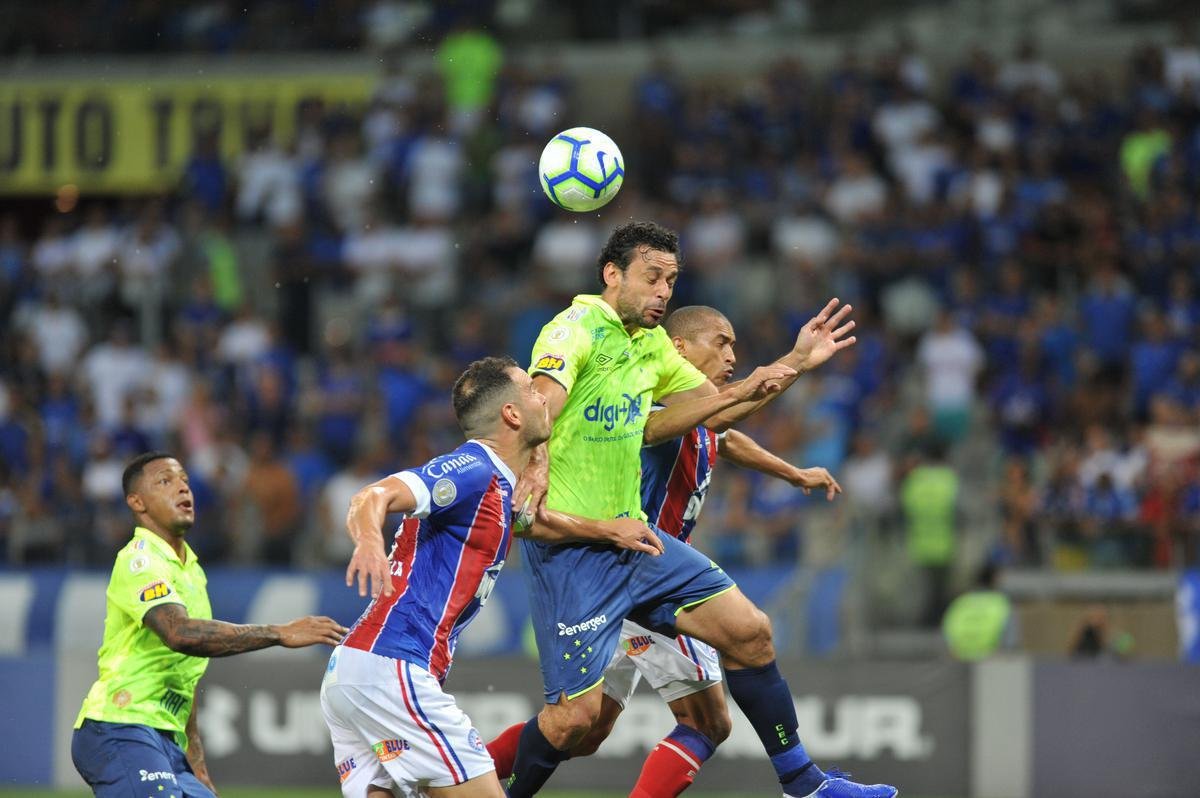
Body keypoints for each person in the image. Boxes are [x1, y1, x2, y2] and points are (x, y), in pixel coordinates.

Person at [502, 221, 895, 798]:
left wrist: (795, 363)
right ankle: (466, 786)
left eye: (671, 280)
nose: (664, 291)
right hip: (572, 548)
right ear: (612, 275)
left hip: (640, 543)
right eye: (652, 277)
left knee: (752, 634)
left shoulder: (653, 346)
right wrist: (534, 464)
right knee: (576, 724)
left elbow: (717, 414)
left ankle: (804, 785)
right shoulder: (574, 328)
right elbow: (540, 400)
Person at [321, 356, 667, 798]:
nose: (544, 396)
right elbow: (375, 494)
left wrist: (605, 530)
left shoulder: (498, 486)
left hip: (355, 672)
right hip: (394, 665)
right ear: (512, 414)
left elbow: (529, 523)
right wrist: (369, 540)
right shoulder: (473, 467)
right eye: (531, 389)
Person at [71, 451, 347, 798]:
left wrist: (195, 759)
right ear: (137, 502)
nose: (183, 489)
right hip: (120, 726)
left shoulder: (193, 572)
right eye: (165, 481)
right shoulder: (140, 559)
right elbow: (179, 634)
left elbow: (185, 674)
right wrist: (279, 632)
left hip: (169, 742)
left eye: (184, 480)